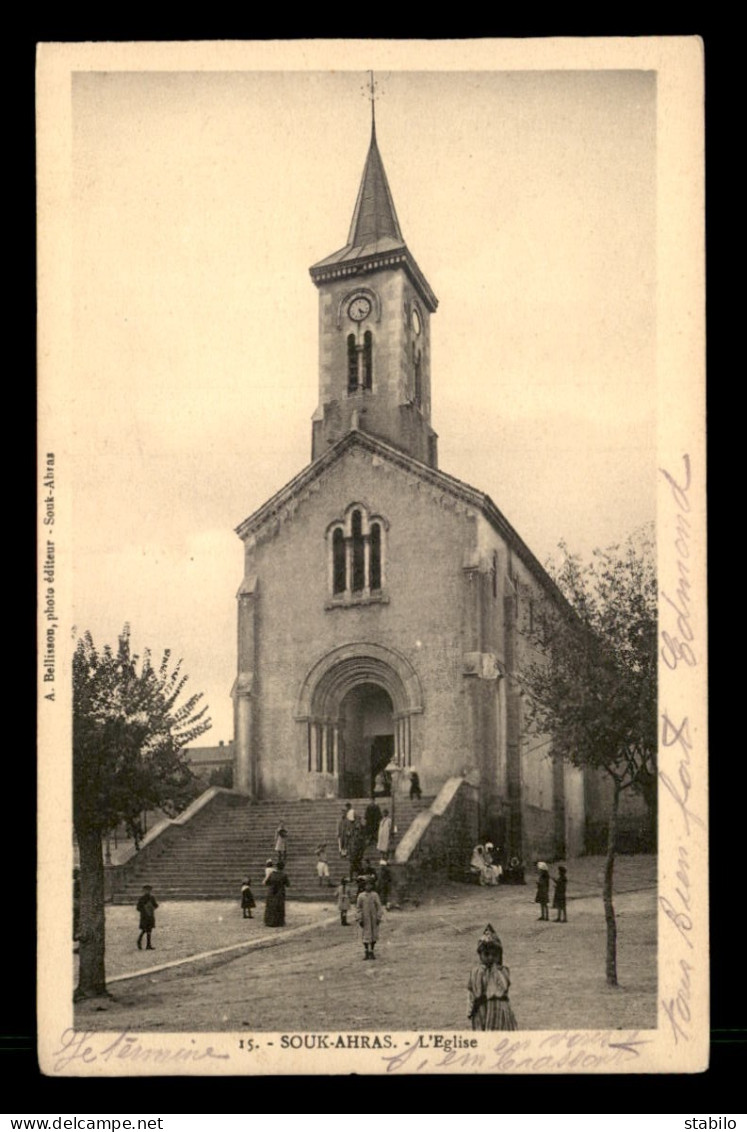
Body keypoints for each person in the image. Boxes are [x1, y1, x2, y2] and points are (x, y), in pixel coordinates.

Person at [467, 924, 518, 1031]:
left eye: (494, 955)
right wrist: (471, 1009)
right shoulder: (475, 971)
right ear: (480, 955)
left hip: (499, 1009)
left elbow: (502, 987)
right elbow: (472, 991)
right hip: (481, 1010)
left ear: (499, 956)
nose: (490, 958)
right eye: (486, 954)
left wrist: (494, 969)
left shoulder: (503, 970)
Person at [356, 876, 383, 960]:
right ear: (364, 886)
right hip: (365, 919)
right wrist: (360, 918)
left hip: (373, 919)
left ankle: (372, 951)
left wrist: (378, 917)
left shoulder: (375, 895)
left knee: (373, 936)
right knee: (365, 936)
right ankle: (366, 951)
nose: (368, 887)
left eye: (370, 885)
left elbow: (379, 907)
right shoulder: (361, 896)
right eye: (366, 885)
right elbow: (358, 908)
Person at [136, 884, 158, 950]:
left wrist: (151, 908)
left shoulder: (152, 898)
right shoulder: (141, 899)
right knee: (144, 930)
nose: (147, 892)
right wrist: (144, 909)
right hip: (144, 916)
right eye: (146, 890)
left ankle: (148, 945)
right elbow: (138, 908)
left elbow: (156, 905)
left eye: (149, 890)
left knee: (149, 930)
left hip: (150, 916)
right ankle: (139, 941)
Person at [72, 867, 81, 947]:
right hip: (77, 903)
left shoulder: (77, 882)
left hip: (77, 903)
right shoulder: (78, 881)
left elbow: (76, 894)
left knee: (77, 921)